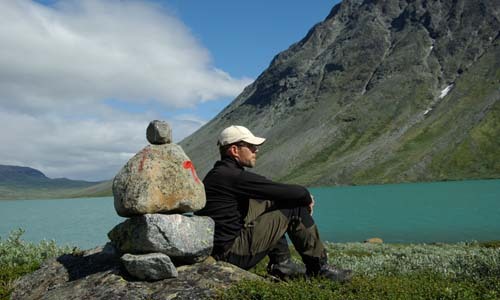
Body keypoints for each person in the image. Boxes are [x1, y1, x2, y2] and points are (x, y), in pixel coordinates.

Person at [195, 125, 352, 281]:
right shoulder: (232, 176)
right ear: (234, 150)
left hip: (221, 250)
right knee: (293, 207)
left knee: (276, 200)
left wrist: (296, 196)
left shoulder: (219, 174)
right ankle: (320, 269)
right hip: (231, 254)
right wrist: (306, 197)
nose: (256, 150)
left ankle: (282, 265)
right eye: (251, 146)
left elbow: (275, 193)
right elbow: (294, 192)